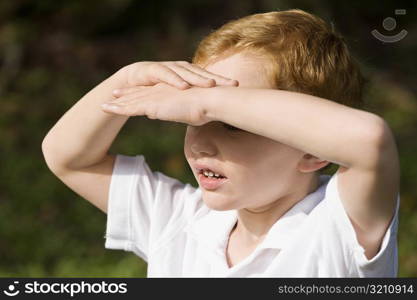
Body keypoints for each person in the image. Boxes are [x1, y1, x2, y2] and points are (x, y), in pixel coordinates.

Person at [42, 9, 400, 277]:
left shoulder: (337, 228)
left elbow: (368, 139)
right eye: (193, 121)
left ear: (313, 150)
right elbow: (69, 158)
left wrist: (207, 101)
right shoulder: (179, 220)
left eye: (232, 125)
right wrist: (130, 76)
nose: (200, 145)